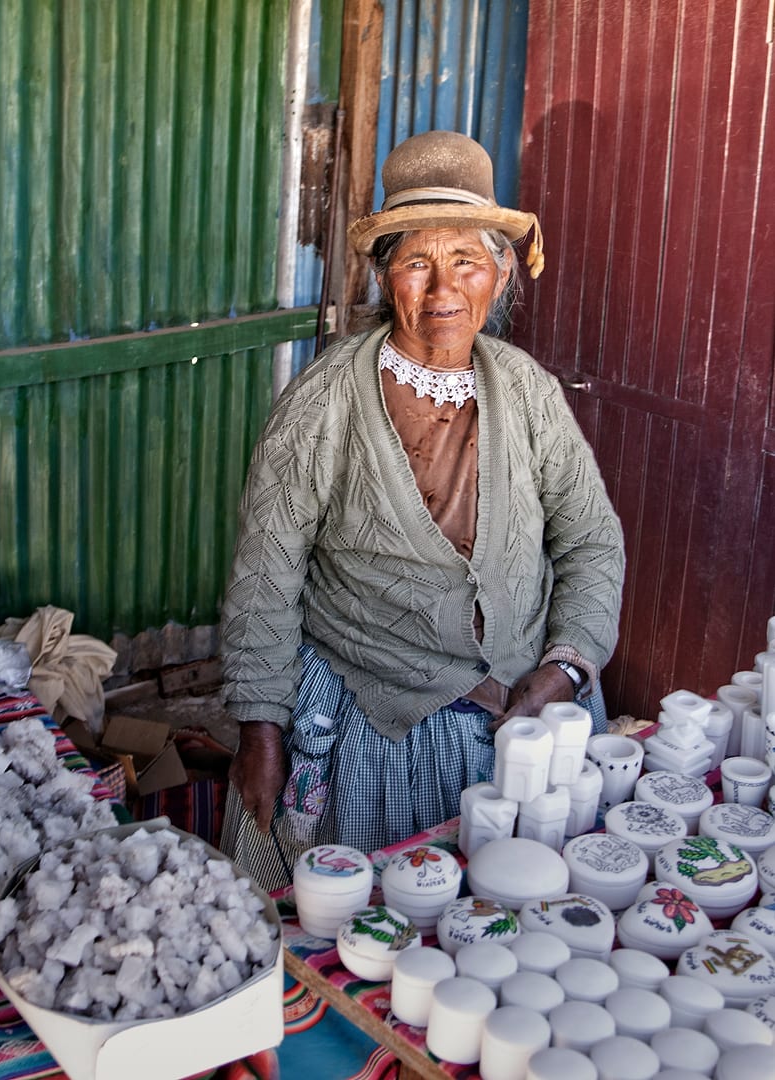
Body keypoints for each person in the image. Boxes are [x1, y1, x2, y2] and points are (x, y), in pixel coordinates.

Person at [214, 130, 625, 892]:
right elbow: (266, 573)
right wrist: (261, 729)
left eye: (466, 260)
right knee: (381, 918)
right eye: (416, 263)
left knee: (528, 909)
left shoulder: (528, 391)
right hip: (380, 727)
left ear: (500, 275)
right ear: (383, 276)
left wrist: (567, 666)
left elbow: (591, 540)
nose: (443, 290)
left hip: (529, 723)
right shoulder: (323, 402)